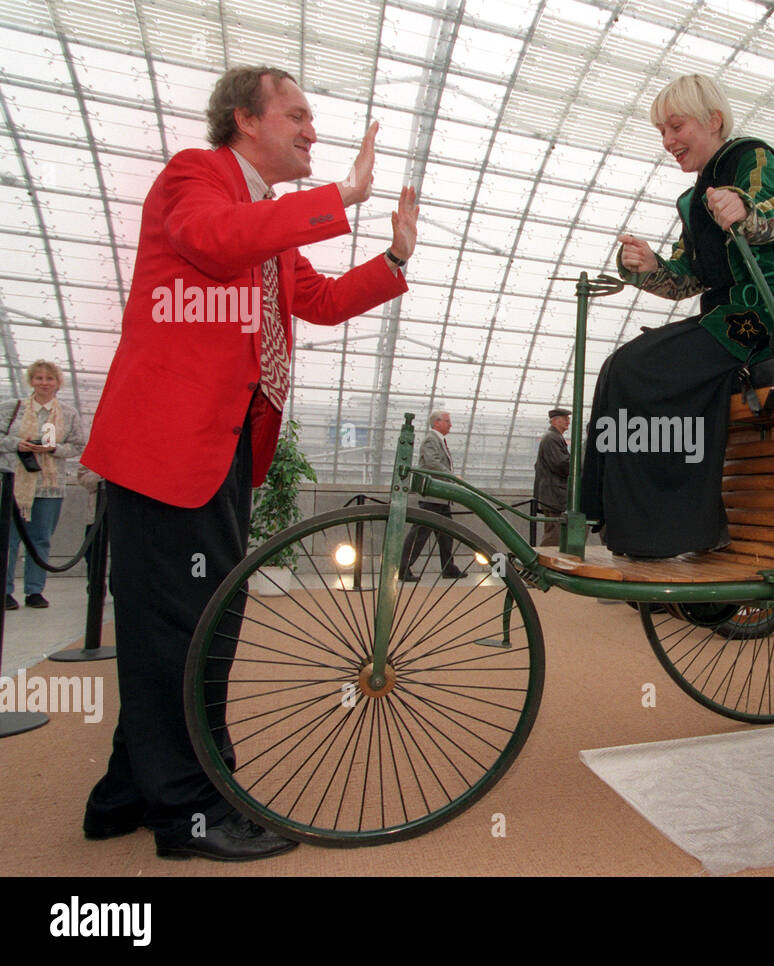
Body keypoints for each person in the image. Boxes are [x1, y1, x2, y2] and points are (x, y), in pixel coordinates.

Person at [78, 65, 419, 862]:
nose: (311, 130)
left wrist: (393, 260)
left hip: (221, 447)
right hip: (168, 448)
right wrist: (339, 196)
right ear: (244, 119)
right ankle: (193, 811)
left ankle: (127, 791)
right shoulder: (195, 178)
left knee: (186, 625)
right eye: (296, 115)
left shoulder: (266, 218)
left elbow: (322, 300)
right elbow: (207, 241)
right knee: (191, 628)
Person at [580, 75, 774, 558]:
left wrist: (743, 207)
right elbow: (687, 279)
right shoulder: (693, 199)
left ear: (714, 121)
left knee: (634, 367)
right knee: (620, 367)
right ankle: (622, 517)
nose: (667, 142)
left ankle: (670, 529)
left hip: (762, 319)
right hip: (723, 318)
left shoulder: (751, 157)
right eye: (661, 132)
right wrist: (649, 268)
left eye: (675, 126)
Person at [2, 360, 86, 610]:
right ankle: (5, 590)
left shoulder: (68, 413)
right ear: (31, 381)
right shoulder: (12, 408)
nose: (44, 383)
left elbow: (78, 446)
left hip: (50, 487)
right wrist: (16, 445)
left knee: (41, 539)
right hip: (16, 484)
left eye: (49, 379)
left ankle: (34, 590)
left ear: (57, 382)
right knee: (9, 540)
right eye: (39, 378)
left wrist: (53, 449)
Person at [399, 410, 464, 580]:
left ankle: (448, 567)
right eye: (447, 421)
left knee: (446, 534)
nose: (450, 425)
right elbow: (431, 462)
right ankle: (403, 567)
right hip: (432, 497)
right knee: (420, 534)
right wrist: (450, 475)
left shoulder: (438, 440)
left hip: (440, 498)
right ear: (437, 423)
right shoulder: (431, 440)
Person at [534, 407, 571, 546]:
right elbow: (560, 464)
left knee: (555, 532)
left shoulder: (553, 437)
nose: (568, 422)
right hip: (554, 495)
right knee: (554, 535)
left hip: (552, 494)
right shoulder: (552, 438)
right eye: (565, 419)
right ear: (555, 421)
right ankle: (545, 563)